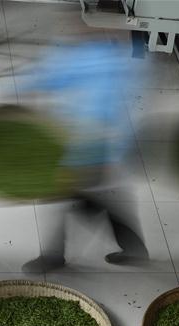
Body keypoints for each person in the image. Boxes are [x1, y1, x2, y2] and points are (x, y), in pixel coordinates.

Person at [20, 40, 148, 272]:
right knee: (87, 200)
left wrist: (112, 154)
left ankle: (53, 256)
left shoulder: (110, 64)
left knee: (67, 197)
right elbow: (57, 78)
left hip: (92, 145)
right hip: (74, 140)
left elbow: (112, 114)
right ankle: (135, 248)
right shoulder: (82, 52)